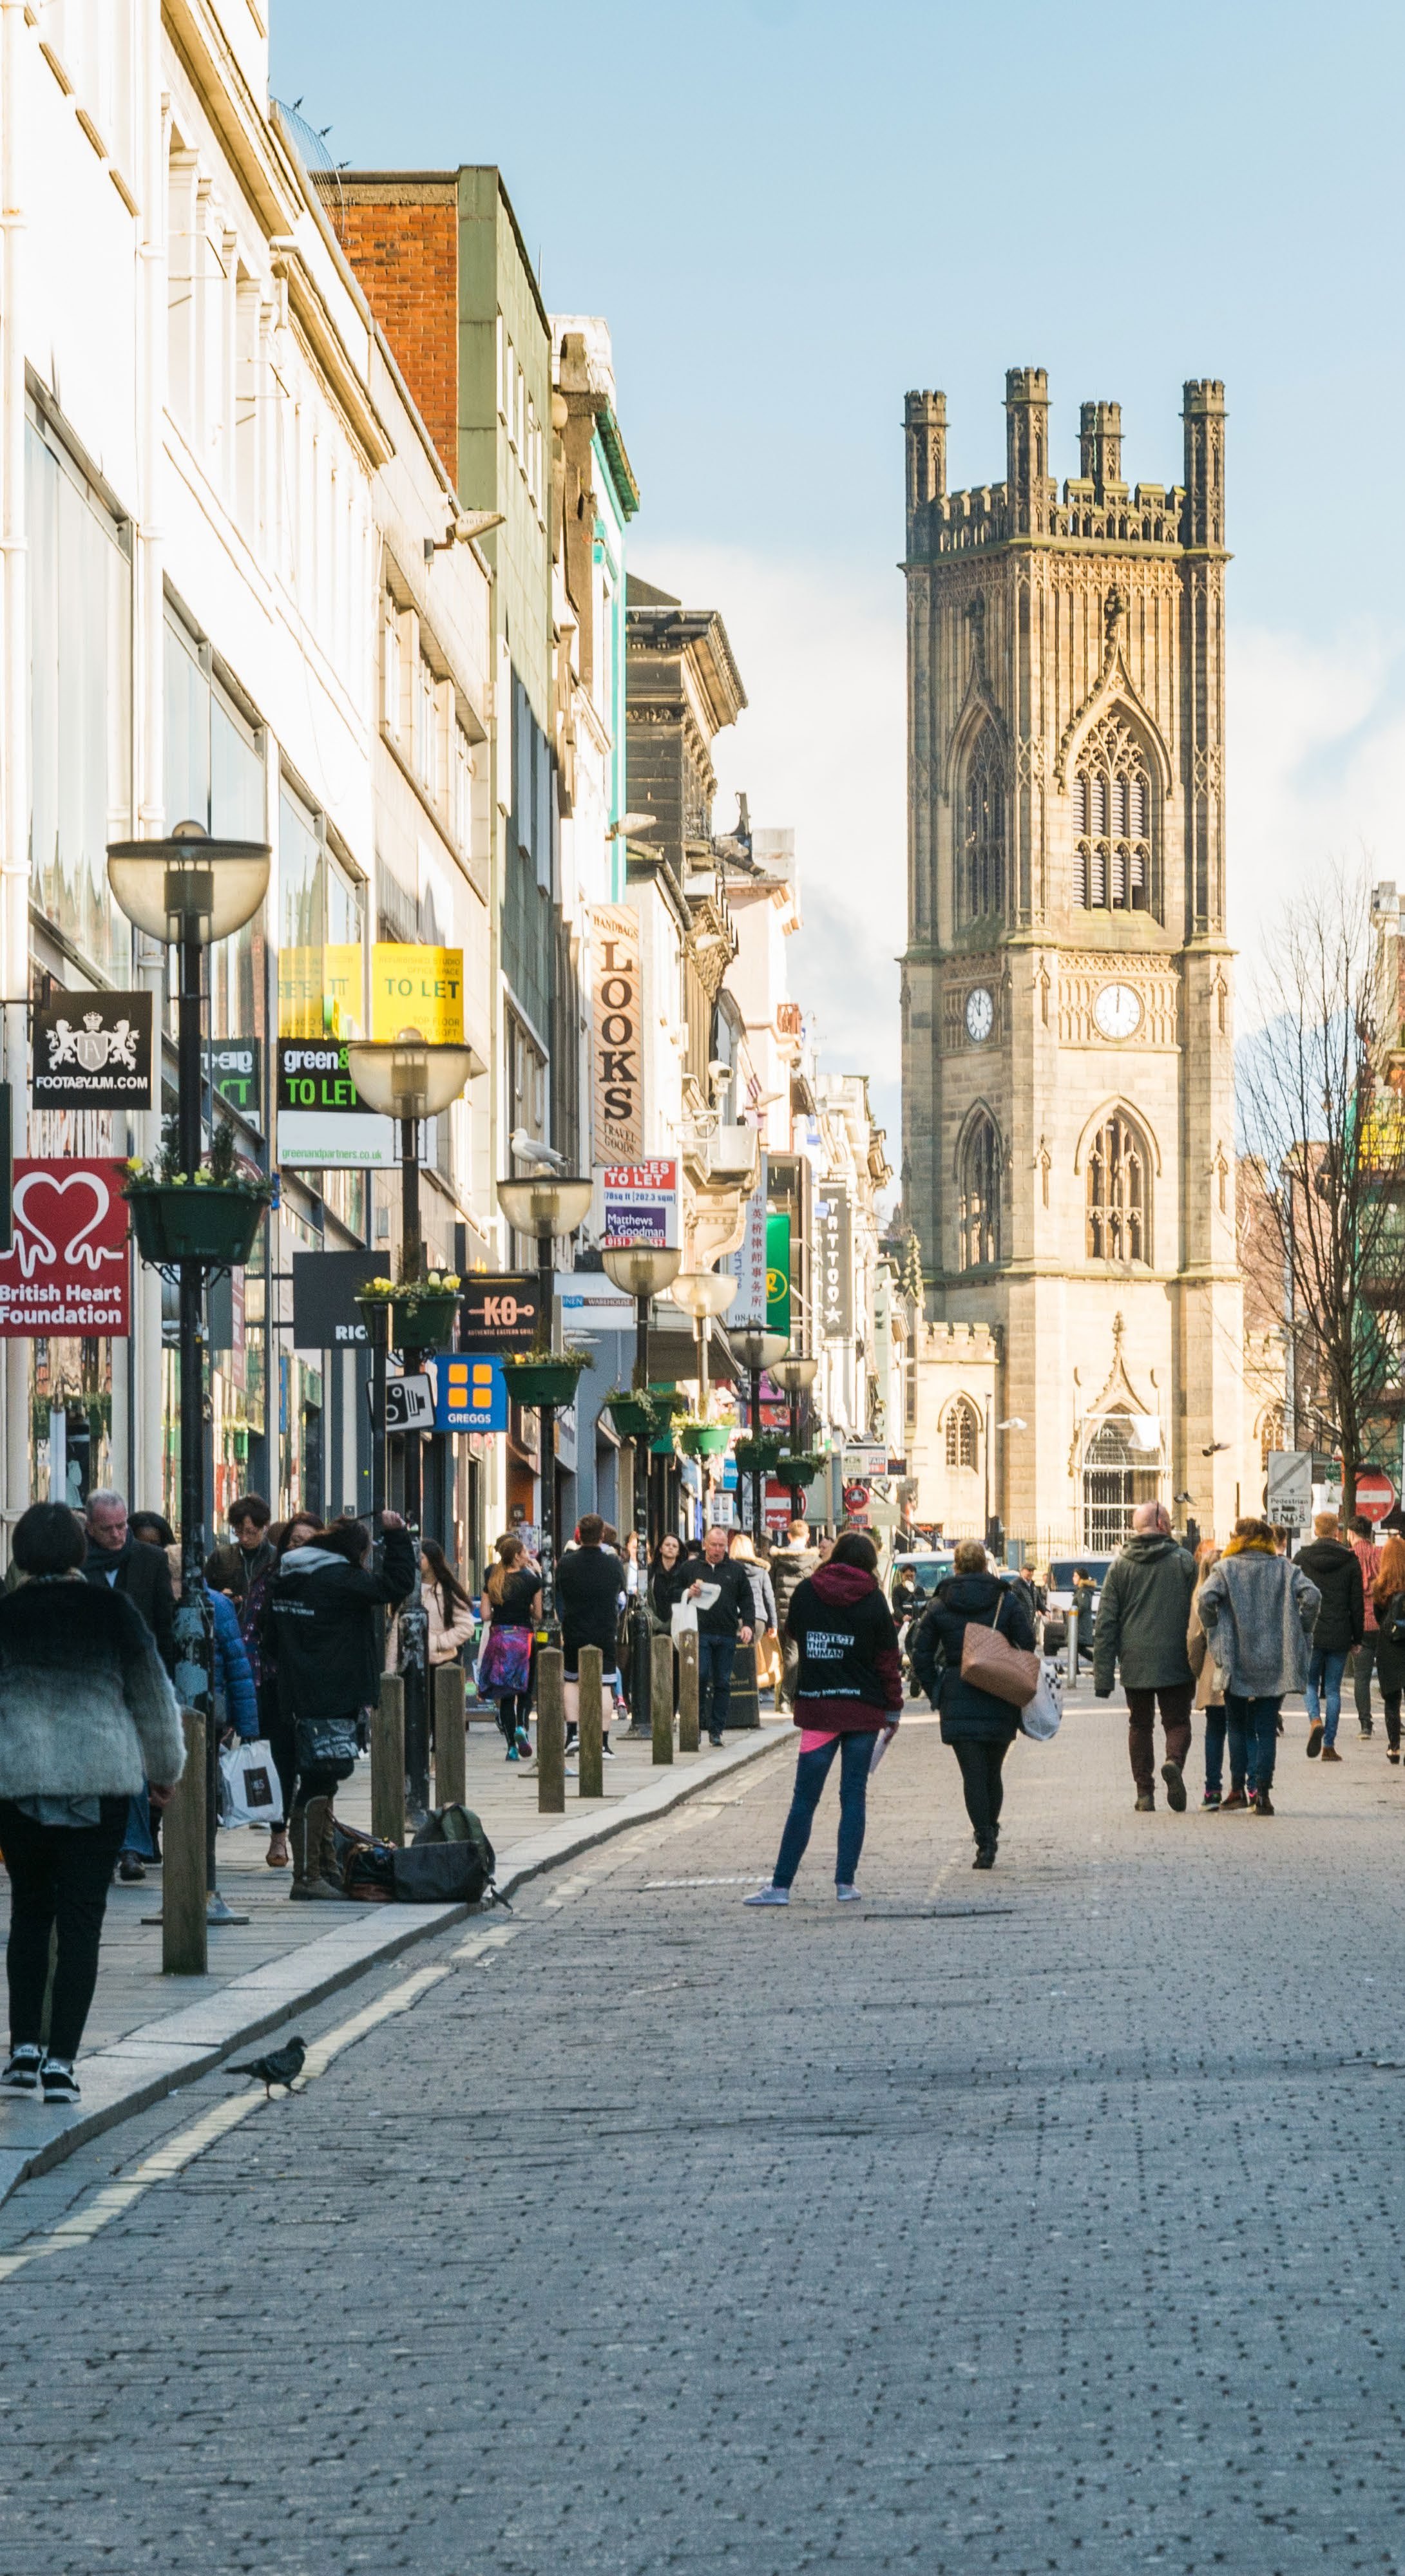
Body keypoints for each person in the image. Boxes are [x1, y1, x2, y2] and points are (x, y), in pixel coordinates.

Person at [0, 1502, 184, 2105]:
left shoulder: (6, 1616)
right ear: (81, 1551)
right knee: (82, 1923)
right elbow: (152, 1695)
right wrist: (165, 1770)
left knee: (29, 1914)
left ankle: (22, 2051)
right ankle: (62, 2063)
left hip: (22, 1781)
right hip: (100, 1780)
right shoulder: (114, 1611)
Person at [745, 1532, 902, 1906]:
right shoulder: (875, 1598)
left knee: (804, 1799)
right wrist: (893, 1708)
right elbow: (887, 1659)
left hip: (819, 1707)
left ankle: (780, 1887)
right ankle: (845, 1884)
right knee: (853, 1797)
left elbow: (793, 1634)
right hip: (863, 1708)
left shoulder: (806, 1591)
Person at [268, 1511, 416, 1898]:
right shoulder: (340, 1578)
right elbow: (398, 1584)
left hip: (297, 1691)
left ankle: (325, 1867)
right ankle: (307, 1876)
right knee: (320, 1777)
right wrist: (398, 1535)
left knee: (323, 1775)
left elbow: (270, 1639)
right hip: (331, 1691)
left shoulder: (286, 1576)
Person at [910, 1536, 1037, 1867]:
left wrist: (936, 1688)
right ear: (985, 1565)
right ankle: (991, 1829)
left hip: (958, 1692)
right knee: (993, 1771)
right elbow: (1028, 1643)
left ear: (956, 1566)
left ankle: (985, 1839)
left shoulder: (940, 1603)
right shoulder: (1004, 1601)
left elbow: (920, 1653)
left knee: (973, 1774)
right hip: (1000, 1694)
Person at [1196, 1519, 1320, 1817]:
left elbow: (1205, 1599)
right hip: (1275, 1661)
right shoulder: (1285, 1569)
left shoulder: (1225, 1570)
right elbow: (1313, 1597)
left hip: (1236, 1658)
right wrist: (1303, 1629)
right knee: (1265, 1727)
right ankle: (1263, 1794)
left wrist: (1214, 1628)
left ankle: (1238, 1789)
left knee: (1237, 1725)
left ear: (1238, 1539)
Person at [1091, 1501, 1198, 1814]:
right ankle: (1173, 1761)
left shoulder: (1120, 1565)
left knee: (1140, 1725)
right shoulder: (1183, 1562)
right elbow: (1199, 1613)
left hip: (1135, 1660)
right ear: (1163, 1524)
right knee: (1177, 1722)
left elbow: (1106, 1622)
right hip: (1176, 1658)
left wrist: (1102, 1677)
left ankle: (1144, 1794)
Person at [249, 1514, 320, 1866]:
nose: (299, 1546)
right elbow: (252, 1632)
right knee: (282, 1762)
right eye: (294, 1540)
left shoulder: (330, 1579)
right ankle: (280, 1835)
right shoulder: (270, 1578)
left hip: (319, 1685)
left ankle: (315, 1840)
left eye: (308, 1541)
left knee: (321, 1764)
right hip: (277, 1684)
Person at [1296, 1508, 1364, 1761]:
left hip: (1311, 1631)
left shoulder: (1302, 1558)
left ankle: (1315, 1720)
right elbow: (1356, 1603)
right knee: (1334, 1690)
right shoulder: (1350, 1560)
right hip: (1339, 1633)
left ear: (1316, 1530)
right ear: (1337, 1531)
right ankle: (1329, 1746)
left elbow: (1295, 1597)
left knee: (1310, 1684)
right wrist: (1357, 1638)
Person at [555, 1513, 624, 1759]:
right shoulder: (613, 1563)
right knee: (605, 1684)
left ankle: (572, 1735)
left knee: (572, 1681)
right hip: (605, 1629)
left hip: (574, 1629)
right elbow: (620, 1591)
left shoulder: (566, 1563)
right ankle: (603, 1743)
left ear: (579, 1534)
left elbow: (560, 1592)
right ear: (602, 1536)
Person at [685, 1523, 754, 1745]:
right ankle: (696, 1725)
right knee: (700, 1676)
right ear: (705, 1544)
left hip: (726, 1633)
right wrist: (688, 1592)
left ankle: (717, 1731)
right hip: (699, 1632)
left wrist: (748, 1625)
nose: (717, 1550)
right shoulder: (691, 1568)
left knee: (723, 1682)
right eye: (713, 1545)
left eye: (721, 1546)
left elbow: (747, 1600)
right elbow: (673, 1591)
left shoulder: (735, 1570)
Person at [480, 1534, 541, 1759]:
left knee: (506, 1694)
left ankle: (511, 1748)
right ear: (516, 1556)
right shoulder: (531, 1579)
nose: (528, 1556)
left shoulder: (491, 1575)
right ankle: (521, 1728)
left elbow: (485, 1614)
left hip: (499, 1639)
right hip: (524, 1638)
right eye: (525, 1552)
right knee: (525, 1690)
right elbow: (539, 1613)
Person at [1186, 1543, 1236, 1809]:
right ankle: (1248, 1787)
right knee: (1242, 1729)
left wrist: (1198, 1673)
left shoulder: (1199, 1598)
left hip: (1211, 1671)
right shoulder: (1235, 1593)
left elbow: (1194, 1641)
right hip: (1238, 1671)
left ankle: (1212, 1790)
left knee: (1214, 1732)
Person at [385, 1539, 477, 1672]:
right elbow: (397, 1630)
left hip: (442, 1665)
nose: (416, 1562)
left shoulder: (447, 1592)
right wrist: (390, 1671)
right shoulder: (409, 1590)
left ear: (432, 1560)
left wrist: (437, 1643)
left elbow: (466, 1627)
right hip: (410, 1664)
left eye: (421, 1558)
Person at [770, 1519, 819, 1711]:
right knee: (796, 1656)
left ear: (788, 1536)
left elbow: (772, 1585)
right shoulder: (814, 1561)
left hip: (781, 1612)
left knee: (786, 1655)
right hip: (805, 1614)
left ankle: (786, 1698)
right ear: (808, 1537)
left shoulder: (778, 1559)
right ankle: (788, 1698)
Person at [730, 1532, 779, 1693]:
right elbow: (769, 1598)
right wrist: (773, 1624)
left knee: (732, 1655)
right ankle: (751, 1693)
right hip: (758, 1619)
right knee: (750, 1655)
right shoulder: (761, 1570)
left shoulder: (728, 1569)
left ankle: (735, 1692)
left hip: (734, 1618)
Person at [204, 1495, 275, 1604]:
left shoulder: (276, 1558)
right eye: (238, 1531)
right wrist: (220, 1599)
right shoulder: (221, 1556)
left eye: (251, 1532)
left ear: (264, 1528)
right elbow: (205, 1593)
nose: (244, 1538)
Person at [1371, 1533, 1405, 1761]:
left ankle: (1394, 1747)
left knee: (1392, 1700)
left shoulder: (1380, 1587)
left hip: (1390, 1647)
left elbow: (1378, 1618)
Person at [1350, 1515, 1383, 1738]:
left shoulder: (1348, 1557)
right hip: (1382, 1623)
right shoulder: (1381, 1555)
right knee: (1390, 1674)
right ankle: (1395, 1719)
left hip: (1359, 1626)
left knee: (1361, 1677)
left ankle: (1366, 1725)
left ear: (1351, 1533)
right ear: (1370, 1533)